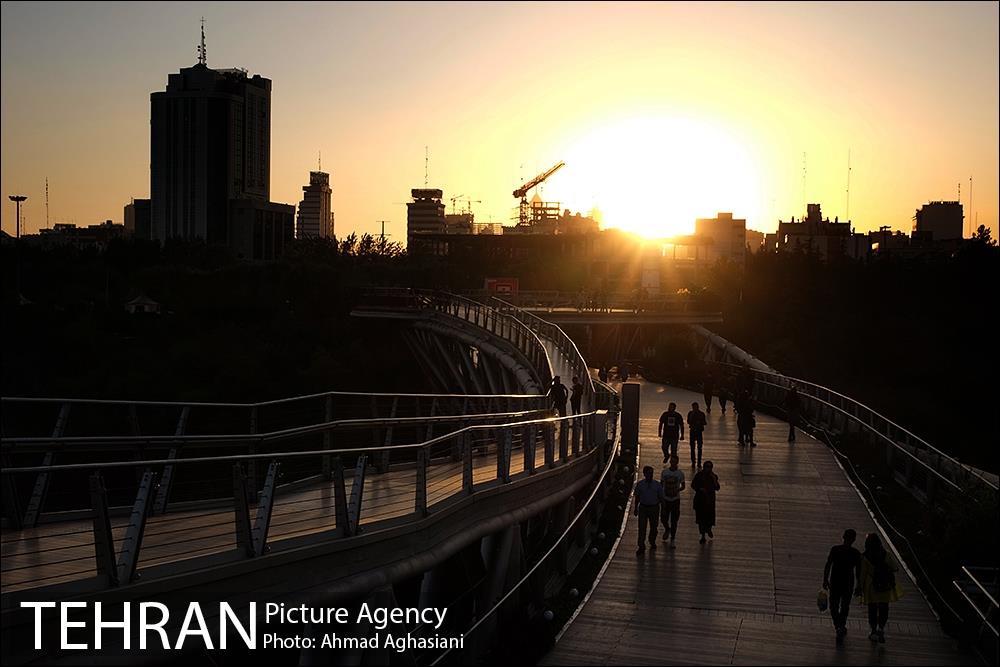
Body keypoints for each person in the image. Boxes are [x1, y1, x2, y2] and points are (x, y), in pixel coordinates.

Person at [858, 532, 904, 643]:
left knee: (872, 608)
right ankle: (881, 628)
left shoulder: (865, 557)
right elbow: (895, 568)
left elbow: (862, 574)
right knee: (884, 607)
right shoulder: (885, 554)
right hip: (884, 585)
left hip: (871, 586)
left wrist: (859, 586)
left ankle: (873, 631)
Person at [823, 529, 862, 644]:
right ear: (854, 539)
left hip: (835, 581)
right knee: (845, 606)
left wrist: (825, 579)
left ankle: (838, 625)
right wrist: (859, 585)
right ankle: (841, 625)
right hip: (848, 582)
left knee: (834, 605)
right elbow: (858, 572)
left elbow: (828, 564)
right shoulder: (856, 553)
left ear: (843, 537)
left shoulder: (835, 549)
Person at [632, 465, 664, 554]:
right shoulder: (640, 484)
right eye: (649, 473)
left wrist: (663, 509)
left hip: (654, 508)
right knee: (642, 528)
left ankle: (652, 540)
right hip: (643, 508)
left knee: (654, 527)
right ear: (645, 474)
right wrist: (635, 508)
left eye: (652, 473)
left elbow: (661, 498)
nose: (651, 475)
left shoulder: (657, 485)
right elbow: (637, 497)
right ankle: (641, 546)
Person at [660, 455, 686, 548]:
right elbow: (661, 484)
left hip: (675, 499)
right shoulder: (664, 472)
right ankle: (667, 528)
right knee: (663, 518)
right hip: (666, 499)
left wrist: (678, 490)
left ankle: (673, 538)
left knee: (674, 520)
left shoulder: (680, 474)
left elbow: (683, 486)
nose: (673, 463)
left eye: (675, 461)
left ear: (677, 462)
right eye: (672, 461)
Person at [691, 460, 720, 544]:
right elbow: (693, 485)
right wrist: (700, 489)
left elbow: (717, 487)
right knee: (701, 519)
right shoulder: (699, 475)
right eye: (707, 466)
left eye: (710, 467)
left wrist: (714, 480)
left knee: (710, 517)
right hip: (700, 500)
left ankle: (709, 529)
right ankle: (703, 535)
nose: (708, 468)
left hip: (710, 500)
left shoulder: (713, 476)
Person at [687, 401, 707, 468]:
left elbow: (704, 422)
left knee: (699, 448)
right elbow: (688, 421)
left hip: (698, 431)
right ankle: (694, 462)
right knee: (693, 448)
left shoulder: (701, 414)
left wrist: (699, 422)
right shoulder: (691, 413)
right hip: (693, 431)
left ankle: (698, 462)